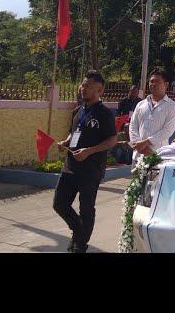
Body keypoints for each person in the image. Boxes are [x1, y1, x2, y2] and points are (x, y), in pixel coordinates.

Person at [53, 70, 117, 253]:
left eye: (88, 86)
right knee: (59, 203)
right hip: (70, 166)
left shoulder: (105, 114)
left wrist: (89, 151)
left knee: (86, 208)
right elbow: (74, 132)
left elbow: (112, 139)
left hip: (90, 169)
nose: (83, 88)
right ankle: (79, 230)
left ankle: (80, 245)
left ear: (99, 90)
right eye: (83, 84)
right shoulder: (77, 110)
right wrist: (65, 142)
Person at [129, 68, 175, 162]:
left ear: (166, 84)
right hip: (138, 155)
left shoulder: (172, 106)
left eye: (157, 81)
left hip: (158, 156)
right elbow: (133, 126)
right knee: (136, 177)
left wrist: (147, 142)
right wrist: (140, 146)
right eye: (151, 81)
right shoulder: (140, 105)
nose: (153, 84)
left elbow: (168, 130)